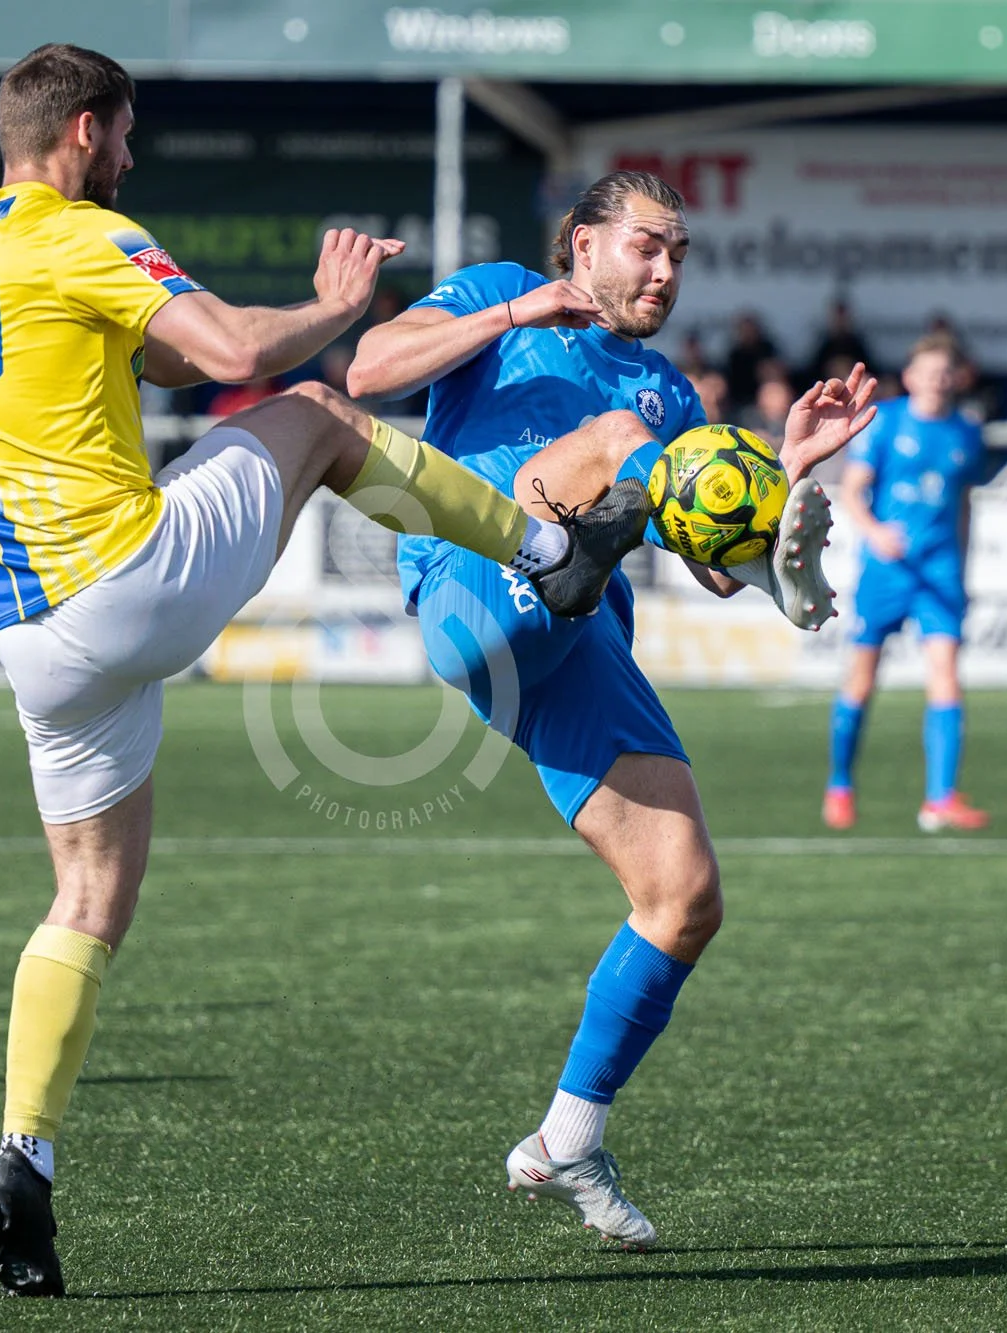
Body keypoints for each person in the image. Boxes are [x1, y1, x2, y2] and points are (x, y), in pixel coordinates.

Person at [0, 45, 655, 1298]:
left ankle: (25, 1155)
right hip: (121, 583)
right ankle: (548, 543)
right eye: (121, 136)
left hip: (31, 643)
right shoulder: (82, 236)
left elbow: (166, 360)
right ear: (78, 134)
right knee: (326, 419)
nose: (130, 157)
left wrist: (237, 336)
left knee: (86, 901)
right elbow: (229, 349)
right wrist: (331, 310)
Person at [349, 170, 875, 1248]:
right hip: (470, 583)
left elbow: (716, 573)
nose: (666, 270)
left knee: (683, 898)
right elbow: (365, 368)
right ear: (582, 245)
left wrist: (782, 468)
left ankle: (565, 1139)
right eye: (647, 245)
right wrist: (511, 312)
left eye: (679, 254)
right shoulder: (501, 294)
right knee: (602, 439)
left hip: (576, 640)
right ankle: (576, 553)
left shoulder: (670, 395)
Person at [825, 335, 989, 833]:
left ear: (956, 378)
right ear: (911, 375)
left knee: (946, 676)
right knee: (862, 678)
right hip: (886, 572)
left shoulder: (965, 432)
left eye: (946, 371)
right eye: (929, 370)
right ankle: (840, 784)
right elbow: (853, 492)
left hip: (938, 572)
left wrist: (963, 566)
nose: (938, 379)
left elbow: (963, 506)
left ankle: (939, 799)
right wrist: (876, 533)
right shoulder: (887, 423)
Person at [722, 311, 778, 411]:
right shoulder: (735, 354)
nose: (748, 333)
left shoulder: (767, 348)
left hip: (765, 394)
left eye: (750, 329)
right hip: (740, 400)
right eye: (744, 330)